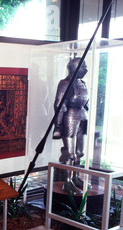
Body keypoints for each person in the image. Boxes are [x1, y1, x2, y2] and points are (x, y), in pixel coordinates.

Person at [52, 57, 89, 193]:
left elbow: (85, 102)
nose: (86, 69)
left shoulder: (82, 83)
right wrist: (58, 124)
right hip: (70, 117)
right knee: (70, 153)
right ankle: (67, 181)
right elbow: (59, 104)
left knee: (80, 152)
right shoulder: (65, 83)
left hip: (82, 115)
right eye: (83, 66)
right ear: (74, 68)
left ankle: (76, 177)